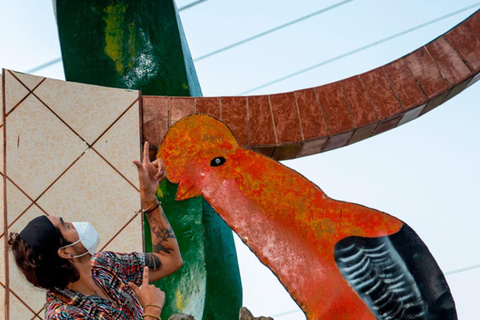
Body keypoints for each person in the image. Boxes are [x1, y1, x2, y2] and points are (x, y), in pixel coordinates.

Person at [8, 142, 182, 319]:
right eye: (66, 226)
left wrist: (148, 198)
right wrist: (151, 310)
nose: (75, 224)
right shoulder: (64, 315)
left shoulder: (103, 264)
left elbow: (170, 259)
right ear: (66, 252)